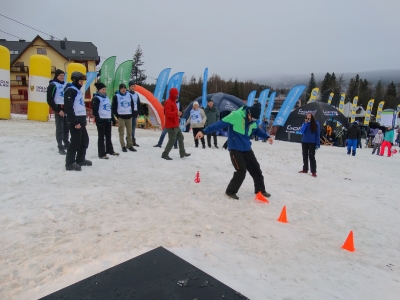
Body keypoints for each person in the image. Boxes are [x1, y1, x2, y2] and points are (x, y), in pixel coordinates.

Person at [195, 103, 274, 200]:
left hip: (247, 148)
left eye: (254, 119)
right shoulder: (236, 115)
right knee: (241, 170)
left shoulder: (253, 120)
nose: (252, 121)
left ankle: (260, 190)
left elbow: (256, 130)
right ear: (248, 113)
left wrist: (267, 136)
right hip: (235, 149)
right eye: (252, 118)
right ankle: (230, 191)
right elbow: (219, 124)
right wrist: (203, 132)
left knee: (256, 169)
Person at [64, 72, 91, 171]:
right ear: (75, 81)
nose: (82, 83)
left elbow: (79, 106)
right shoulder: (70, 90)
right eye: (80, 81)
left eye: (82, 81)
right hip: (74, 121)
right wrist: (75, 122)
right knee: (75, 142)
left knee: (84, 141)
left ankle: (80, 159)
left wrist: (83, 120)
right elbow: (68, 108)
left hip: (81, 120)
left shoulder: (77, 91)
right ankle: (69, 163)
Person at [91, 82, 119, 159]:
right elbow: (95, 111)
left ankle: (110, 150)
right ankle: (101, 153)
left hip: (108, 119)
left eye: (105, 89)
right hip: (101, 120)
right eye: (102, 89)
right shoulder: (96, 98)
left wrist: (113, 118)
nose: (104, 91)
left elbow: (109, 109)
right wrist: (98, 119)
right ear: (99, 90)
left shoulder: (106, 98)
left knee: (108, 136)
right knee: (101, 137)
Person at [161, 88, 190, 160]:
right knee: (172, 140)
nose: (177, 97)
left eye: (177, 96)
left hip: (176, 124)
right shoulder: (168, 102)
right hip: (171, 126)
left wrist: (178, 114)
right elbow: (167, 114)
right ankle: (165, 154)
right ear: (172, 95)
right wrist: (176, 113)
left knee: (181, 138)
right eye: (176, 96)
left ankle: (182, 153)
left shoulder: (173, 102)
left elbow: (174, 113)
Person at [46, 69, 69, 155]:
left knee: (67, 128)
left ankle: (66, 143)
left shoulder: (66, 85)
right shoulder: (52, 85)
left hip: (66, 108)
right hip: (58, 108)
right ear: (56, 76)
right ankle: (60, 146)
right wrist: (58, 110)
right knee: (60, 129)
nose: (62, 77)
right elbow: (49, 99)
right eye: (60, 75)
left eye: (63, 75)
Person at [112, 83, 136, 152]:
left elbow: (132, 105)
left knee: (129, 132)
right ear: (120, 89)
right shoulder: (116, 96)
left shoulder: (129, 95)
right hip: (121, 117)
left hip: (129, 116)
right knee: (121, 132)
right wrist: (117, 115)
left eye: (124, 88)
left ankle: (129, 145)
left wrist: (132, 114)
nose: (123, 89)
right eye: (122, 88)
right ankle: (123, 146)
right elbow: (114, 107)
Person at [299, 113, 320, 177]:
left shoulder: (316, 124)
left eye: (309, 117)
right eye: (307, 117)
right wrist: (305, 123)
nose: (308, 118)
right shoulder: (305, 123)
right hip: (304, 141)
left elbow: (317, 134)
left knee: (311, 156)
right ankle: (305, 169)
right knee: (304, 155)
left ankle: (313, 171)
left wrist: (317, 143)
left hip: (312, 142)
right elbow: (301, 131)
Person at [128, 81, 141, 147]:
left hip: (135, 112)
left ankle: (133, 140)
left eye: (133, 86)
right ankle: (129, 140)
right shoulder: (127, 94)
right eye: (131, 86)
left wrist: (138, 112)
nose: (133, 87)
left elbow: (138, 104)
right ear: (129, 87)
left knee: (133, 128)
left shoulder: (136, 95)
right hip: (129, 112)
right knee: (129, 128)